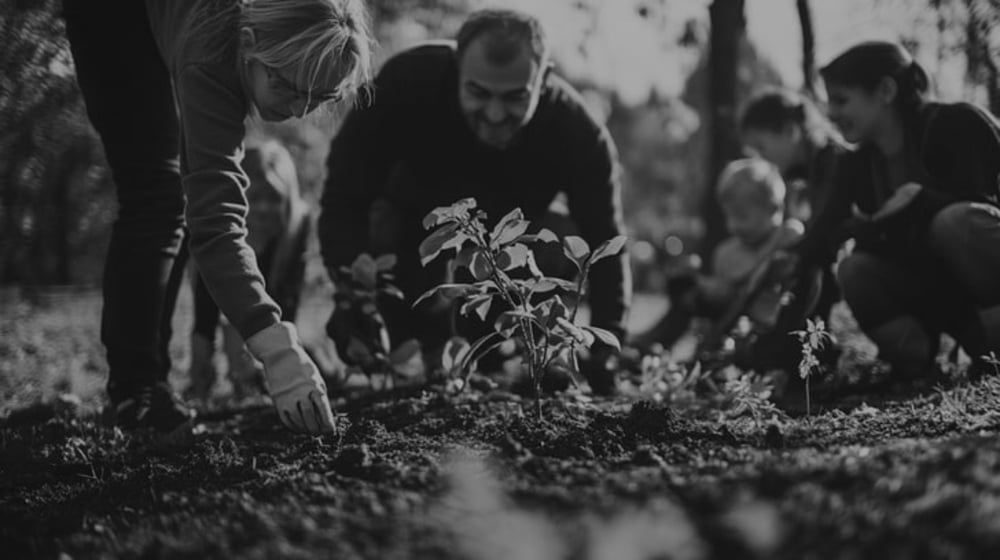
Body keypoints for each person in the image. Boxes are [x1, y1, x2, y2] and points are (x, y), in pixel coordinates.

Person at [62, 0, 373, 436]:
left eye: (320, 97)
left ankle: (147, 383)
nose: (300, 111)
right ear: (249, 46)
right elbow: (216, 226)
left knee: (165, 194)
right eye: (288, 87)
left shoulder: (275, 34)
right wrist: (278, 349)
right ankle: (135, 391)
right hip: (114, 15)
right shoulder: (214, 54)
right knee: (154, 193)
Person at [318, 9, 632, 395]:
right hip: (407, 264)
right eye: (478, 93)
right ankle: (403, 353)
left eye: (516, 97)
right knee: (380, 220)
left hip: (501, 280)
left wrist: (605, 350)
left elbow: (606, 242)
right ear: (455, 71)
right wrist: (352, 294)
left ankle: (503, 356)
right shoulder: (406, 84)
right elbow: (345, 197)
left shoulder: (578, 134)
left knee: (563, 235)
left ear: (544, 80)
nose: (496, 114)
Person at [796, 40, 1000, 382]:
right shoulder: (857, 164)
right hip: (942, 291)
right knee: (855, 269)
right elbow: (825, 233)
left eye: (842, 100)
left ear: (886, 91)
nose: (831, 114)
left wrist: (921, 200)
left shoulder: (956, 123)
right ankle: (918, 360)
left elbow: (983, 205)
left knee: (953, 222)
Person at [633, 158, 805, 371]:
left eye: (742, 216)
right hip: (731, 323)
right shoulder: (726, 252)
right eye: (729, 216)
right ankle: (655, 345)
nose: (734, 226)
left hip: (767, 324)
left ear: (774, 208)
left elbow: (782, 254)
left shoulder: (784, 236)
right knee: (689, 293)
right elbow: (726, 298)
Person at [187, 139, 313, 401]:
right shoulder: (214, 227)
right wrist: (203, 361)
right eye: (255, 198)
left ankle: (253, 379)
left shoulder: (296, 227)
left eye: (274, 198)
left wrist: (276, 362)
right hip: (233, 309)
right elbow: (206, 304)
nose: (264, 208)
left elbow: (288, 303)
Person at [738, 88, 848, 332]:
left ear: (791, 131)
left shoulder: (834, 163)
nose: (762, 160)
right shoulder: (804, 176)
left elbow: (824, 237)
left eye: (762, 147)